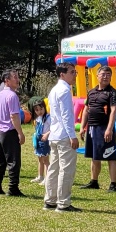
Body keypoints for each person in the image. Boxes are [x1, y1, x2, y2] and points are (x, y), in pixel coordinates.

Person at [44, 64, 81, 212]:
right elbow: (66, 116)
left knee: (54, 169)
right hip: (64, 135)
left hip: (55, 134)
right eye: (72, 72)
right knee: (65, 170)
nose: (75, 75)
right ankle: (63, 202)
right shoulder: (65, 90)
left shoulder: (54, 90)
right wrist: (73, 136)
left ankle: (50, 200)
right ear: (62, 74)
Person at [82, 66, 116, 191]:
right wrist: (83, 127)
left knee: (111, 156)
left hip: (105, 128)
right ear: (97, 76)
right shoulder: (91, 92)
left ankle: (113, 184)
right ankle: (94, 181)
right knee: (94, 156)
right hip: (92, 128)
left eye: (108, 75)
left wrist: (109, 129)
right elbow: (86, 109)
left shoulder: (113, 93)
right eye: (103, 74)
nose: (106, 77)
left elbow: (114, 111)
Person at [0, 70, 24, 197]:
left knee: (0, 161)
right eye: (14, 77)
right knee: (13, 161)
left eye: (17, 77)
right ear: (7, 80)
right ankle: (13, 188)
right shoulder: (12, 96)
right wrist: (20, 133)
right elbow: (14, 116)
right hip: (9, 132)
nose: (17, 79)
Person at [31, 100, 51, 184]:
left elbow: (53, 128)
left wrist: (46, 134)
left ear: (44, 108)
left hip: (45, 141)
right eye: (37, 110)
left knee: (46, 160)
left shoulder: (48, 118)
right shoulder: (38, 119)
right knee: (40, 159)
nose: (39, 112)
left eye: (41, 109)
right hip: (38, 141)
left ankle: (47, 178)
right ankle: (40, 176)